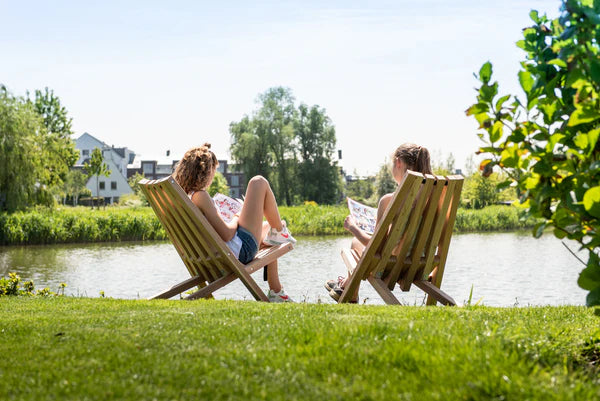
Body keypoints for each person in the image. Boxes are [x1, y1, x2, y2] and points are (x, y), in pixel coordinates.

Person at [173, 143, 296, 302]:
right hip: (240, 250)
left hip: (218, 255)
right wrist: (237, 216)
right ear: (206, 172)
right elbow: (227, 233)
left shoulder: (185, 198)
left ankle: (276, 291)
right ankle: (280, 230)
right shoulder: (200, 196)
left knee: (269, 229)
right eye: (213, 172)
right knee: (258, 182)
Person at [325, 143, 432, 303]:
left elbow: (376, 246)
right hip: (422, 264)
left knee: (356, 243)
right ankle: (346, 287)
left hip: (394, 266)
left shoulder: (389, 200)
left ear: (398, 162)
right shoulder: (434, 196)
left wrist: (353, 227)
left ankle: (350, 294)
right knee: (363, 250)